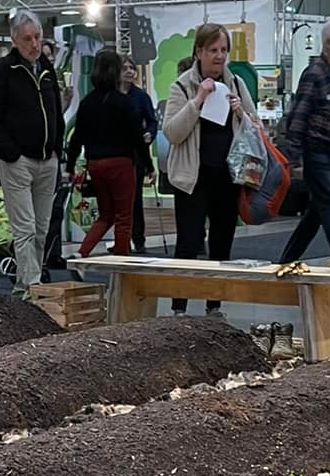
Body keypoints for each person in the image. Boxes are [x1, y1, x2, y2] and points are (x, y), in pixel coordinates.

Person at [161, 22, 258, 314]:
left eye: (223, 50)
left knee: (221, 243)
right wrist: (198, 100)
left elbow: (256, 128)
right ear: (199, 52)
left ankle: (214, 305)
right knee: (188, 243)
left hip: (227, 177)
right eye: (213, 50)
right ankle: (179, 307)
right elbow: (172, 132)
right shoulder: (181, 86)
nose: (219, 56)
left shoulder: (238, 84)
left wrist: (241, 113)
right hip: (193, 179)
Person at [0, 8, 65, 296]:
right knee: (25, 228)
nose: (34, 44)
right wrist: (10, 152)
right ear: (14, 40)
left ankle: (28, 285)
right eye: (27, 39)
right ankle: (32, 287)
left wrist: (57, 149)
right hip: (18, 163)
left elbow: (56, 111)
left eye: (37, 37)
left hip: (47, 160)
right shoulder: (4, 70)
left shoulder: (47, 69)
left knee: (42, 229)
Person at [279, 18, 330, 265]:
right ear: (329, 43)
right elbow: (298, 116)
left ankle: (286, 259)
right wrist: (295, 158)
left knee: (316, 212)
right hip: (316, 152)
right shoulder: (313, 74)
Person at [65, 48, 149, 258]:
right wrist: (148, 164)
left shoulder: (86, 103)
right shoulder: (125, 102)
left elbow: (77, 138)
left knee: (105, 215)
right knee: (123, 216)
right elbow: (137, 137)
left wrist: (69, 166)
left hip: (95, 165)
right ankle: (121, 264)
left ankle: (81, 253)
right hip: (121, 164)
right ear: (115, 72)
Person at [121, 58, 158, 252]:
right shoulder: (111, 94)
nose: (129, 71)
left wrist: (149, 134)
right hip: (116, 151)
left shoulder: (141, 97)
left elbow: (152, 122)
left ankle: (139, 238)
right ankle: (121, 239)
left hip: (136, 151)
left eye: (131, 68)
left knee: (135, 197)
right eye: (124, 68)